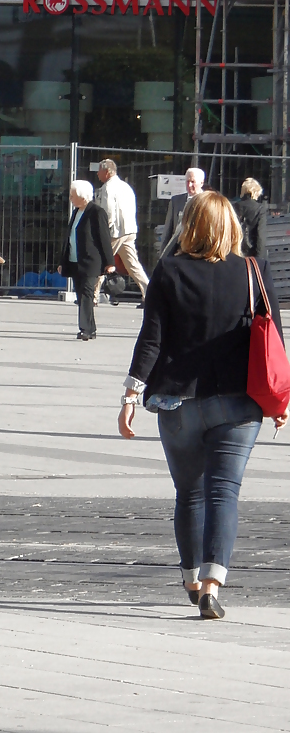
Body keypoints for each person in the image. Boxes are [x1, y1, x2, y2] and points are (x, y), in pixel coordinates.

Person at [119, 191, 287, 619]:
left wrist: (131, 393)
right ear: (232, 226)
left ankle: (191, 577)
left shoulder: (169, 271)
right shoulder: (255, 270)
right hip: (239, 401)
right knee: (224, 491)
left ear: (187, 225)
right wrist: (281, 399)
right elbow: (273, 339)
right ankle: (214, 582)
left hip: (178, 401)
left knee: (189, 492)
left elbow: (151, 339)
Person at [57, 180, 115, 342]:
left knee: (87, 295)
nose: (70, 198)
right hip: (75, 260)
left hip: (91, 262)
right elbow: (69, 238)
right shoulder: (76, 212)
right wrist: (63, 261)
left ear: (82, 196)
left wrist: (109, 262)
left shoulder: (97, 212)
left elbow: (104, 238)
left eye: (72, 195)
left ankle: (85, 329)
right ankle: (91, 328)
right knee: (81, 294)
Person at [94, 157, 148, 304]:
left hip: (115, 232)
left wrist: (103, 230)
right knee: (133, 264)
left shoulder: (107, 188)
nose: (97, 174)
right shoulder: (126, 186)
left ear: (107, 172)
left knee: (101, 260)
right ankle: (148, 293)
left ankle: (92, 296)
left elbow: (108, 212)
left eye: (99, 171)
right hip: (129, 230)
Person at [160, 167, 204, 253]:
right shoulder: (176, 201)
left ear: (201, 183)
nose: (189, 185)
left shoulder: (208, 202)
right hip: (178, 251)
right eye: (187, 181)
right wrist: (163, 254)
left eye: (193, 182)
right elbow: (168, 230)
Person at [235, 177, 268, 260]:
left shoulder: (234, 206)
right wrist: (260, 258)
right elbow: (260, 235)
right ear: (256, 192)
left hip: (236, 252)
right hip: (253, 252)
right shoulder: (260, 209)